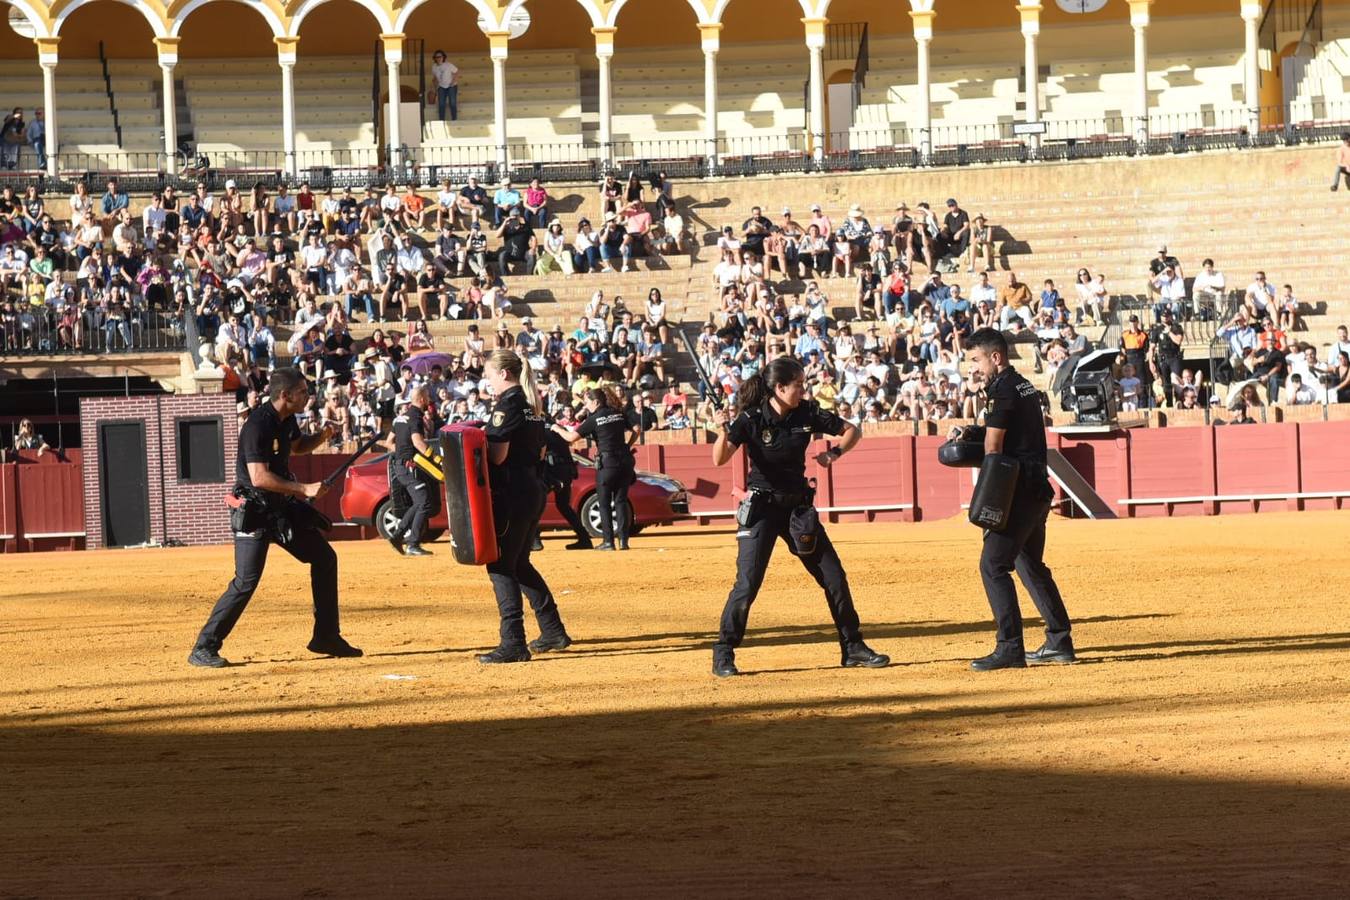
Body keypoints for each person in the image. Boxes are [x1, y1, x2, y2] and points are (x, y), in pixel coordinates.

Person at [708, 356, 889, 677]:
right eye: (799, 385)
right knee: (747, 584)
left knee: (834, 577)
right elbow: (720, 459)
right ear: (779, 388)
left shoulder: (806, 412)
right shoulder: (750, 418)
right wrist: (721, 429)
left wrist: (833, 453)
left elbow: (852, 431)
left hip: (797, 510)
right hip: (762, 509)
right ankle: (724, 652)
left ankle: (853, 647)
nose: (804, 390)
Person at [189, 367, 362, 668]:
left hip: (280, 511)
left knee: (324, 558)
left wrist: (322, 436)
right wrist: (304, 488)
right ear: (285, 395)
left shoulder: (287, 419)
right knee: (246, 581)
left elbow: (296, 447)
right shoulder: (257, 425)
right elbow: (258, 477)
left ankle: (326, 636)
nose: (309, 397)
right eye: (304, 392)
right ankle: (204, 646)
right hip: (254, 512)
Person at [953, 328, 1074, 671]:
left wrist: (989, 509)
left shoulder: (1002, 391)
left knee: (993, 566)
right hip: (1037, 490)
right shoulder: (1021, 385)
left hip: (1016, 493)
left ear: (996, 357)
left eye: (976, 360)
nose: (973, 368)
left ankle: (1009, 647)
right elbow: (1007, 432)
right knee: (1030, 565)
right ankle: (1059, 641)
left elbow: (993, 450)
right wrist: (972, 430)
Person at [478, 349, 571, 663]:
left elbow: (497, 456)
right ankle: (553, 629)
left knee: (502, 565)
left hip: (513, 492)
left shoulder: (508, 406)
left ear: (504, 374)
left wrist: (478, 444)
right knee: (519, 564)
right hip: (532, 489)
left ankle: (513, 642)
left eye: (489, 375)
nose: (488, 381)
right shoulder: (533, 406)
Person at [553, 387, 636, 551]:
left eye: (588, 403)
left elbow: (571, 438)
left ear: (596, 402)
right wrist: (627, 446)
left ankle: (608, 542)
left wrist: (556, 428)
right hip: (625, 460)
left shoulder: (595, 418)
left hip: (608, 462)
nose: (586, 406)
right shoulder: (618, 413)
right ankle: (624, 542)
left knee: (604, 503)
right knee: (620, 501)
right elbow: (637, 430)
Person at [386, 386, 437, 557]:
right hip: (409, 467)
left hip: (402, 465)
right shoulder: (415, 417)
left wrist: (400, 452)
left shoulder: (401, 418)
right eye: (428, 396)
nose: (429, 399)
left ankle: (399, 536)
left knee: (420, 502)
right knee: (424, 502)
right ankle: (412, 543)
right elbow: (418, 443)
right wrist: (436, 459)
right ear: (421, 399)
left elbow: (389, 442)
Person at [535, 424, 593, 551]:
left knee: (535, 503)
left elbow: (540, 452)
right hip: (566, 469)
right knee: (563, 505)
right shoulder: (558, 428)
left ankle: (534, 540)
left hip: (551, 470)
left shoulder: (537, 428)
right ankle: (584, 538)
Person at [430, 49, 459, 122]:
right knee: (441, 104)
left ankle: (454, 119)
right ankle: (441, 120)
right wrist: (435, 86)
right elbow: (435, 77)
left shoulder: (448, 65)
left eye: (440, 56)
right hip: (441, 87)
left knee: (452, 103)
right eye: (437, 57)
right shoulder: (434, 67)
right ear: (435, 58)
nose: (438, 58)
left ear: (443, 57)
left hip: (451, 86)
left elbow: (456, 72)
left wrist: (453, 81)